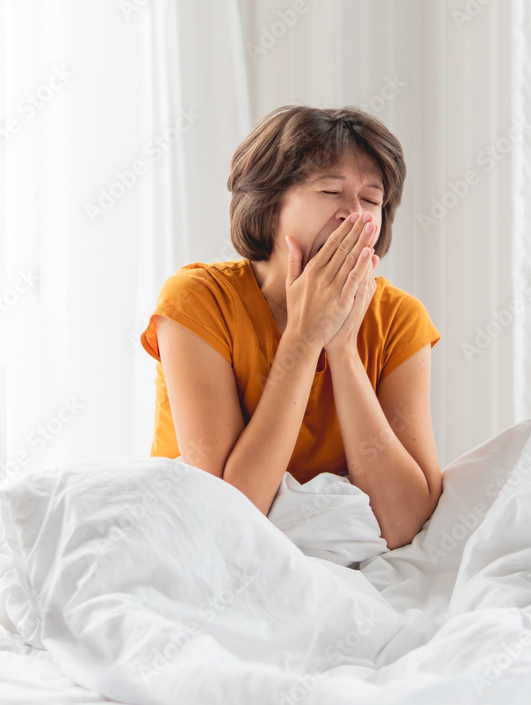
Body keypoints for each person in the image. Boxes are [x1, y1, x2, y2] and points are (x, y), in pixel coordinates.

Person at [140, 105, 442, 550]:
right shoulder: (198, 301)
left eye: (372, 200)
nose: (354, 215)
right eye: (329, 191)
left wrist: (341, 348)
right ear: (269, 203)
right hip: (204, 549)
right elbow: (226, 509)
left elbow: (406, 523)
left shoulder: (400, 318)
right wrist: (304, 337)